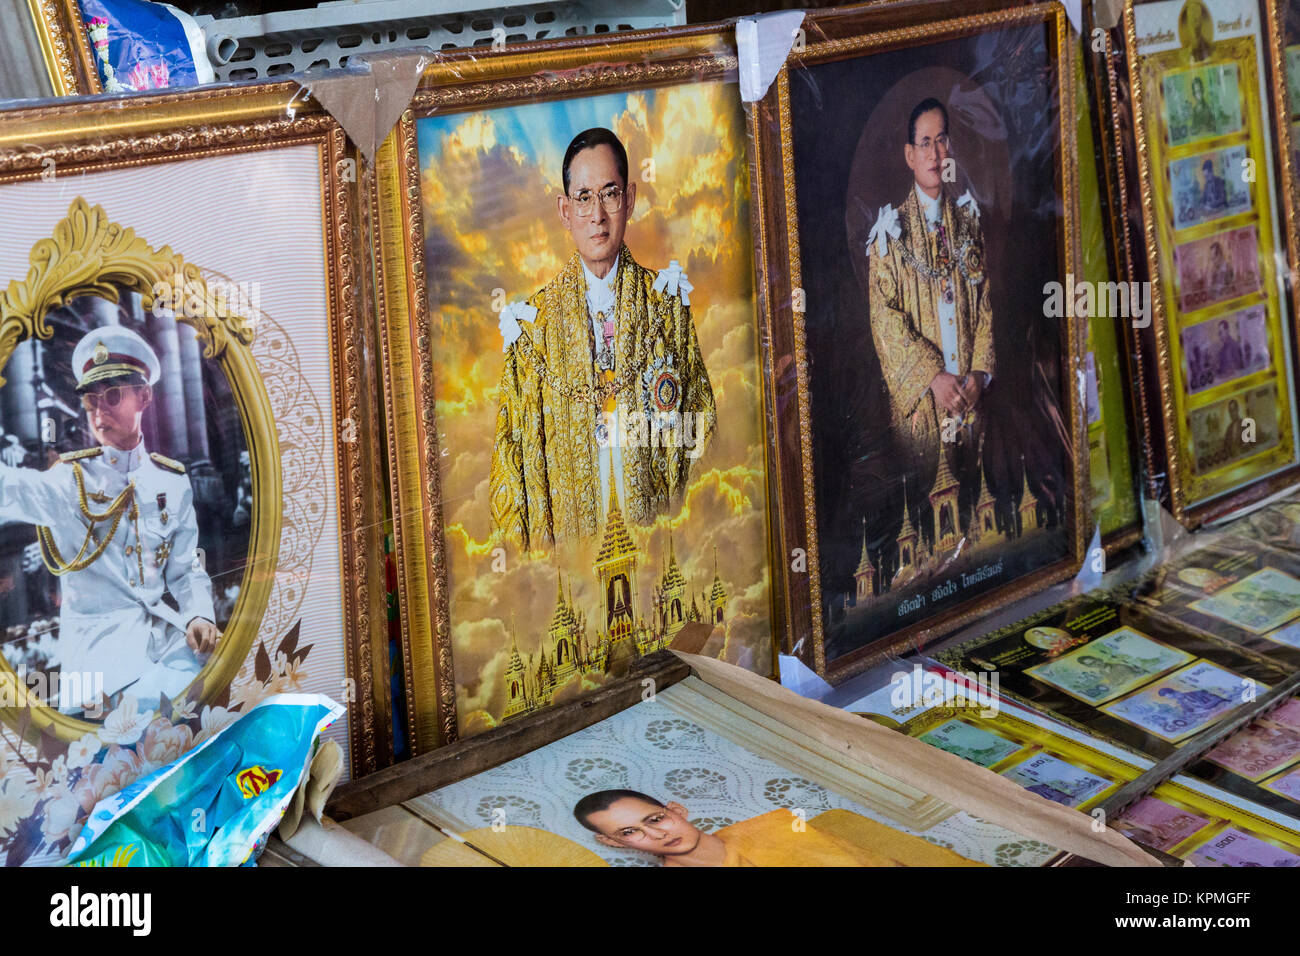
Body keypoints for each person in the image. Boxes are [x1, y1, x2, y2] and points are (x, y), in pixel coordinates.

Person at [490, 128, 716, 549]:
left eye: (609, 194)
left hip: (658, 548)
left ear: (629, 200)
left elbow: (701, 432)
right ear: (564, 210)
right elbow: (511, 472)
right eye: (583, 198)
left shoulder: (665, 307)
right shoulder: (530, 329)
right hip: (572, 561)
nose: (597, 215)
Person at [0, 326, 218, 714]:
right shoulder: (70, 481)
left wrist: (199, 614)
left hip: (165, 649)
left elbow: (185, 570)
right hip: (98, 664)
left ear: (144, 396)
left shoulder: (172, 480)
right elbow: (13, 488)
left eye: (113, 396)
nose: (99, 413)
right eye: (90, 402)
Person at [867, 97, 995, 543]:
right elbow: (885, 323)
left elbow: (985, 305)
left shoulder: (968, 223)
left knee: (981, 521)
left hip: (972, 398)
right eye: (926, 143)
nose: (937, 154)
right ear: (909, 155)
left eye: (942, 140)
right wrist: (933, 377)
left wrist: (978, 372)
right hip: (925, 408)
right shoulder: (889, 236)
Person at [572, 789, 978, 867]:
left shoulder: (782, 824)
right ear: (613, 843)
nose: (658, 835)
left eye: (656, 818)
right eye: (630, 833)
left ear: (676, 809)